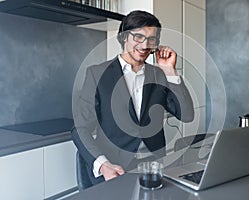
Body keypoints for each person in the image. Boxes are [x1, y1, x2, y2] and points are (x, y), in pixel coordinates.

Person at [71, 10, 194, 186]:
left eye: (152, 39)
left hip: (154, 167)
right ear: (123, 38)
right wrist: (103, 165)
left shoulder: (159, 75)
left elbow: (187, 115)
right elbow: (80, 128)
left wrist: (170, 71)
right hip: (115, 168)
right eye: (138, 37)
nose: (145, 45)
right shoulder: (97, 74)